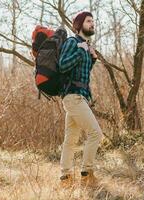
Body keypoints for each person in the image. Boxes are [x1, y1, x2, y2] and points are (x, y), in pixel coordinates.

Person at [58, 11, 103, 188]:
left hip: (80, 96)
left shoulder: (85, 45)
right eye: (88, 21)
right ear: (79, 24)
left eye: (93, 21)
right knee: (95, 134)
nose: (92, 24)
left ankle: (65, 177)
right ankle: (87, 173)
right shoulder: (72, 42)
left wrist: (92, 59)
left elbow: (81, 73)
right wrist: (80, 51)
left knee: (71, 138)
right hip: (72, 96)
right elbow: (63, 66)